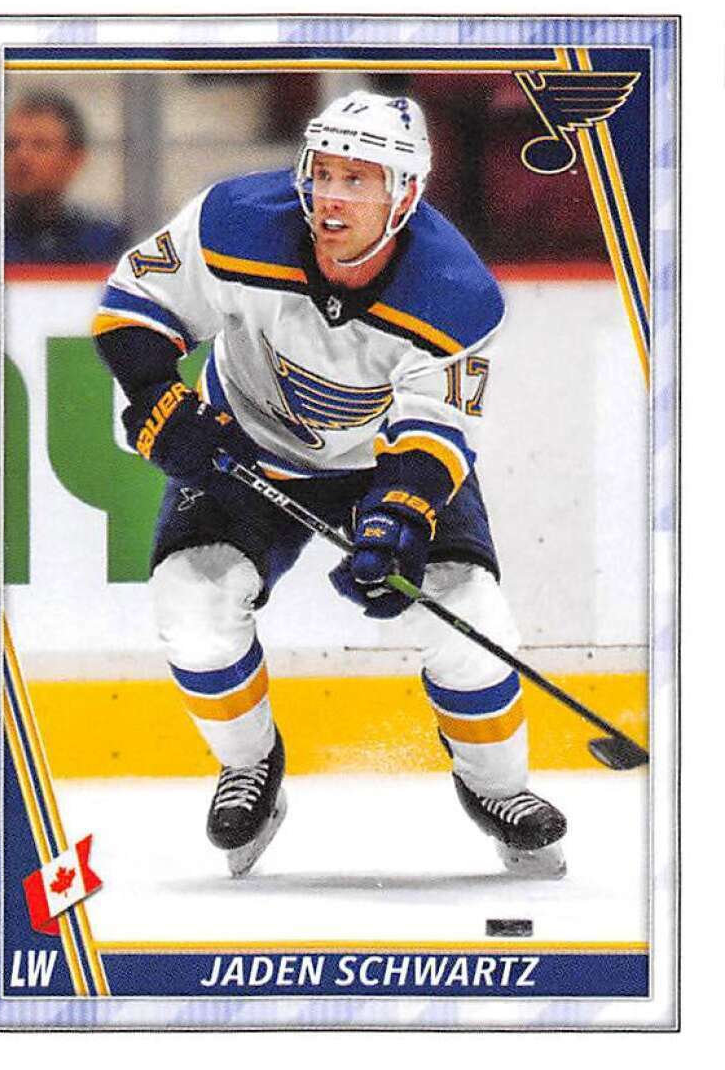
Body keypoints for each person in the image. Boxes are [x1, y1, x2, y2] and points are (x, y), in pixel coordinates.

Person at [93, 91, 567, 879]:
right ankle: (250, 766)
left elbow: (435, 430)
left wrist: (398, 518)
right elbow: (135, 304)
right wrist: (155, 396)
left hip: (383, 462)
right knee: (192, 607)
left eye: (358, 179)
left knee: (468, 617)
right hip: (243, 443)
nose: (331, 196)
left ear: (404, 194)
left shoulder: (457, 292)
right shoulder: (233, 220)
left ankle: (498, 788)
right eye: (323, 173)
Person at [5, 91, 129, 264]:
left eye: (41, 145)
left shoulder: (103, 243)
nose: (22, 156)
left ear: (75, 159)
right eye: (11, 145)